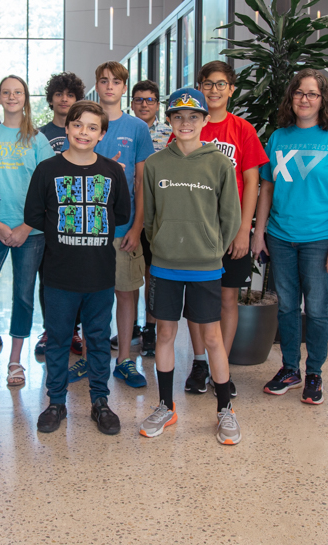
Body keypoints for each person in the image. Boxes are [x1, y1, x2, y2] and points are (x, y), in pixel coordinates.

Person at [251, 70, 328, 405]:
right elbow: (266, 188)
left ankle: (314, 372)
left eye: (312, 94)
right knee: (286, 307)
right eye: (299, 92)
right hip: (281, 237)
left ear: (323, 99)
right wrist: (259, 232)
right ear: (291, 97)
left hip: (319, 239)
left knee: (315, 309)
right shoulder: (279, 137)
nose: (304, 99)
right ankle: (290, 369)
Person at [140, 88, 242, 445]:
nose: (186, 123)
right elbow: (149, 218)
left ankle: (225, 409)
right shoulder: (155, 165)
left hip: (206, 265)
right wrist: (163, 243)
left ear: (204, 120)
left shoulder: (219, 164)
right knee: (165, 334)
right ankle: (166, 406)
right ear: (169, 121)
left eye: (193, 117)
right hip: (166, 265)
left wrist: (211, 246)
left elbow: (230, 217)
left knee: (212, 337)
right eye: (178, 117)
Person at [24, 101, 129, 435]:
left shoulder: (113, 172)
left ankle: (100, 401)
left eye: (92, 127)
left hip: (99, 274)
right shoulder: (47, 170)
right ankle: (56, 401)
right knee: (57, 339)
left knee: (97, 339)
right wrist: (61, 234)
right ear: (67, 128)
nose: (84, 132)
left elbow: (122, 214)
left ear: (102, 134)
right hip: (59, 275)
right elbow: (33, 215)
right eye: (78, 125)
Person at [181, 61, 268, 397]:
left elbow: (252, 181)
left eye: (221, 84)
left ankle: (223, 367)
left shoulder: (242, 129)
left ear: (232, 89)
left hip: (230, 231)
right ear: (199, 88)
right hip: (195, 230)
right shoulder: (190, 127)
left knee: (228, 298)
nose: (214, 90)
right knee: (196, 299)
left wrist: (244, 229)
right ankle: (200, 362)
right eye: (207, 83)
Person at [65, 61, 154, 389]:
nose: (109, 86)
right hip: (87, 231)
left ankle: (124, 360)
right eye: (103, 81)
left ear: (123, 87)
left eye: (116, 81)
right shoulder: (85, 124)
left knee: (126, 293)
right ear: (97, 85)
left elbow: (142, 181)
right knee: (90, 295)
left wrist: (137, 227)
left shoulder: (137, 129)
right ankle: (89, 358)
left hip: (123, 229)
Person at [0, 75, 55, 387]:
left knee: (23, 296)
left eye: (18, 92)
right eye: (6, 92)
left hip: (30, 232)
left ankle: (14, 361)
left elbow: (47, 190)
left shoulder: (37, 140)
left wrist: (26, 226)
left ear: (25, 97)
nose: (12, 97)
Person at [35, 71, 86, 355]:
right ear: (51, 99)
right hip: (50, 217)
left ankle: (74, 332)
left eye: (70, 94)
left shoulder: (84, 131)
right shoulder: (41, 135)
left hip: (80, 218)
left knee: (77, 276)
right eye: (59, 94)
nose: (64, 99)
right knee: (49, 277)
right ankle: (50, 329)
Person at [128, 78, 171, 357]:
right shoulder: (124, 129)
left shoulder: (170, 134)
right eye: (139, 99)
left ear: (158, 104)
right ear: (131, 103)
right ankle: (129, 326)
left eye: (150, 100)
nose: (144, 104)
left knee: (152, 273)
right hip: (130, 213)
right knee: (130, 274)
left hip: (158, 213)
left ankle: (150, 329)